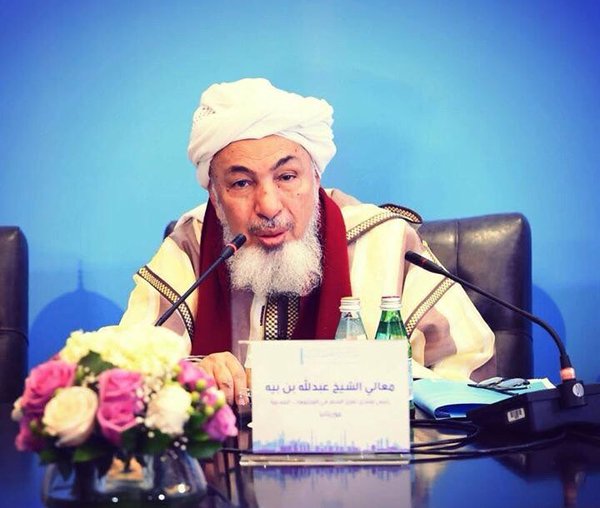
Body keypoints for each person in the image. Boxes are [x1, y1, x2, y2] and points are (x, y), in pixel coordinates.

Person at [121, 78, 495, 405]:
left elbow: (470, 373)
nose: (268, 206)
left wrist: (373, 382)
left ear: (315, 178)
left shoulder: (387, 241)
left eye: (287, 177)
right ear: (215, 197)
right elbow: (124, 368)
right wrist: (192, 373)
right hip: (228, 462)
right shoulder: (191, 245)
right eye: (241, 183)